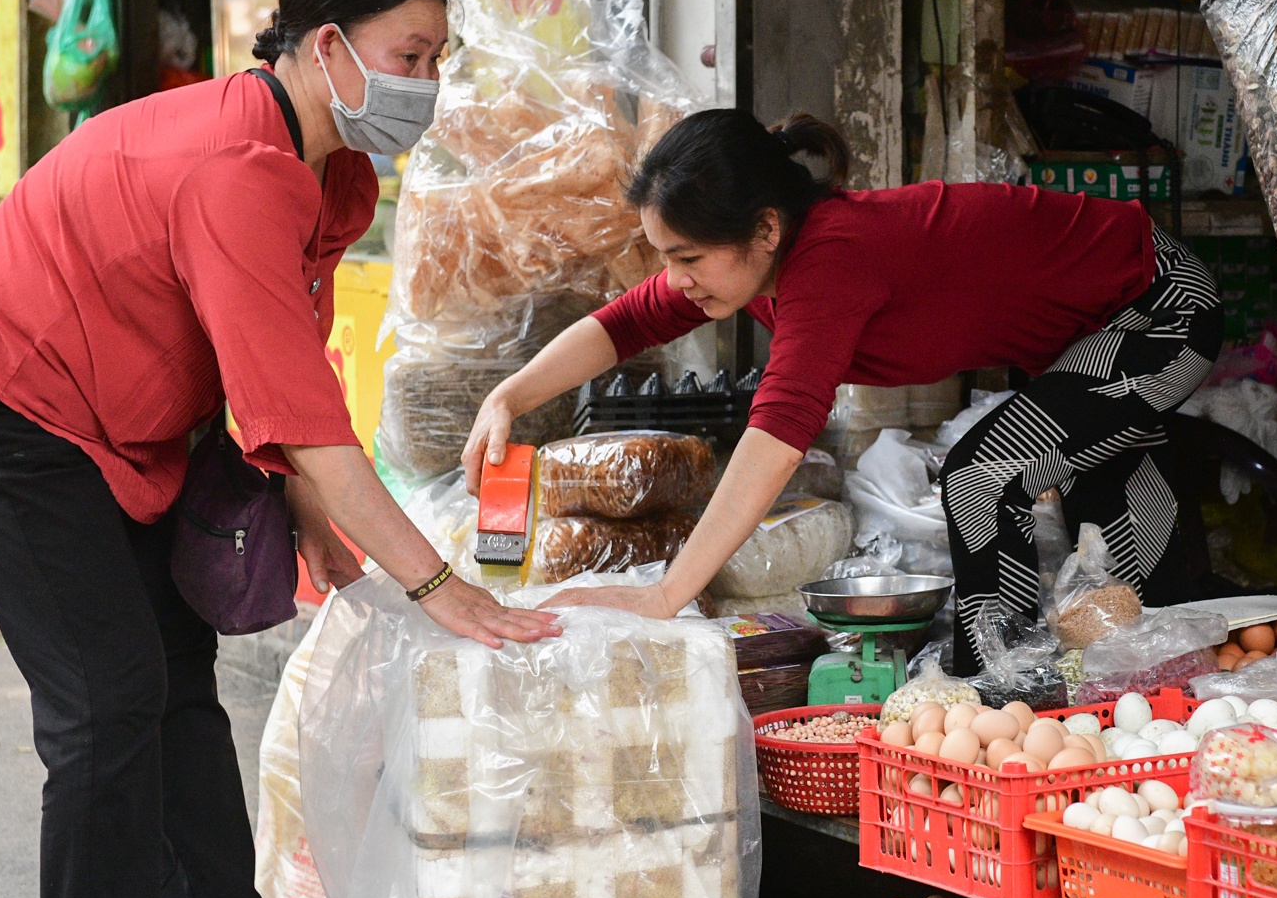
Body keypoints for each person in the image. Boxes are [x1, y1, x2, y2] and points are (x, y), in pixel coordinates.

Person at [0, 0, 558, 898]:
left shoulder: (330, 168)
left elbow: (287, 363)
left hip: (131, 405)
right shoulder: (236, 167)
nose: (429, 83)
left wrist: (308, 505)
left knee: (176, 674)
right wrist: (442, 587)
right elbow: (311, 422)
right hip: (8, 395)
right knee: (107, 697)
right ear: (324, 46)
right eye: (411, 53)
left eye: (439, 56)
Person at [463, 108, 1221, 677]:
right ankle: (1155, 682)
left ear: (765, 227)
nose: (677, 279)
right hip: (1086, 335)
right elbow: (624, 322)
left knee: (984, 477)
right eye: (667, 257)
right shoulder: (759, 265)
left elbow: (776, 435)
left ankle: (1008, 688)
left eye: (688, 256)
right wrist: (509, 396)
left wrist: (666, 595)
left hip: (1160, 306)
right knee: (1136, 585)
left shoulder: (828, 259)